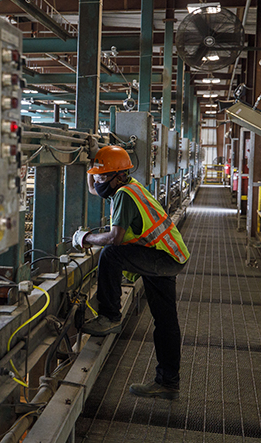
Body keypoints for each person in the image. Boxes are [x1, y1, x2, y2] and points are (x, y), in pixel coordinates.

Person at [71, 145, 190, 400]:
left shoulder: (124, 194)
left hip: (161, 257)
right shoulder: (126, 185)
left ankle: (109, 316)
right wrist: (92, 158)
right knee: (165, 320)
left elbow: (115, 238)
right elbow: (94, 188)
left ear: (118, 175)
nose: (99, 182)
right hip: (168, 254)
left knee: (110, 255)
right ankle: (168, 382)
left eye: (103, 176)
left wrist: (86, 238)